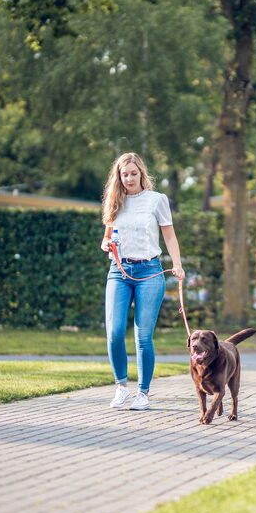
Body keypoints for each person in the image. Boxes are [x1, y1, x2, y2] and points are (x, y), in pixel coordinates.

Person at [100, 152, 185, 410]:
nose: (128, 178)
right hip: (119, 271)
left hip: (150, 271)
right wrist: (106, 245)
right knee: (114, 333)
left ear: (141, 174)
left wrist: (177, 264)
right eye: (124, 174)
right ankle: (121, 387)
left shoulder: (156, 200)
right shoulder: (115, 202)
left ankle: (143, 393)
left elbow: (169, 237)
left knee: (143, 336)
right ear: (119, 176)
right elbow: (106, 238)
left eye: (133, 174)